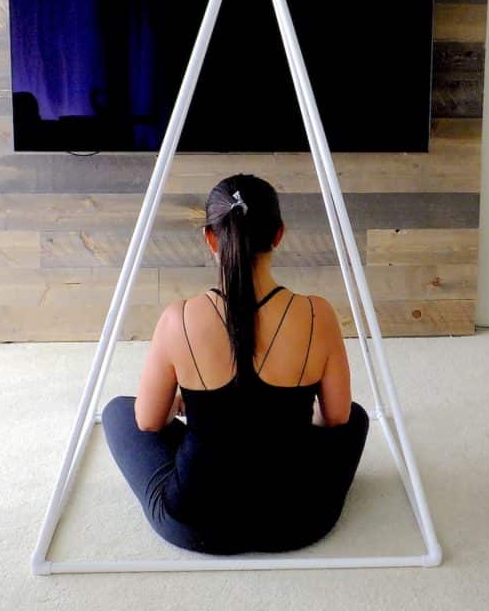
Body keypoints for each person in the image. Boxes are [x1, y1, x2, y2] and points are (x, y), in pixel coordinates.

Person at [102, 173, 369, 554]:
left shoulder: (179, 317)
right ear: (278, 235)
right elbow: (337, 417)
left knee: (118, 411)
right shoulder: (316, 314)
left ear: (211, 237)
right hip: (299, 520)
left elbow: (148, 421)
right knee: (357, 418)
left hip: (196, 523)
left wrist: (187, 406)